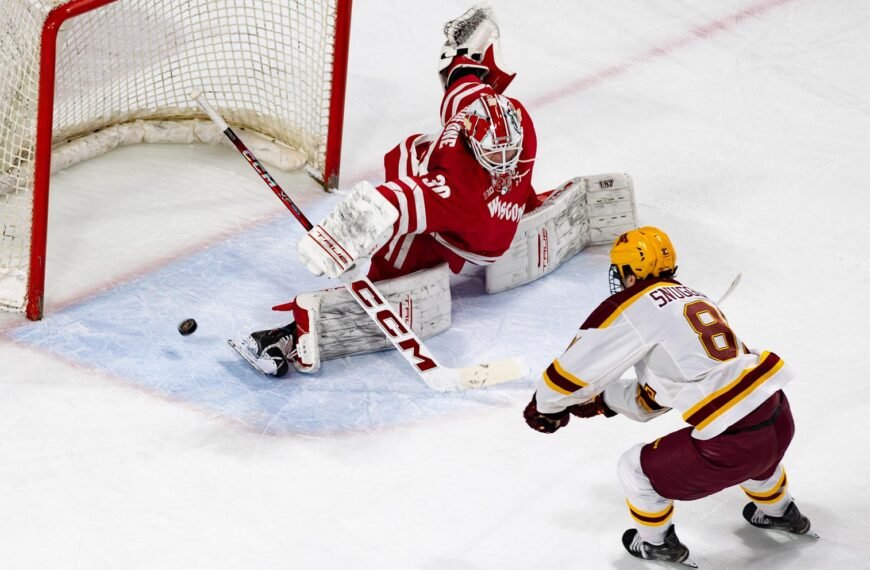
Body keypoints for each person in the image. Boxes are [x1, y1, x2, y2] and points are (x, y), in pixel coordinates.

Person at [234, 3, 540, 376]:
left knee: (406, 161)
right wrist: (464, 51)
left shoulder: (453, 186)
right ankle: (526, 201)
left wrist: (334, 242)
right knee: (420, 148)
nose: (504, 159)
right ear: (469, 136)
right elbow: (462, 75)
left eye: (507, 152)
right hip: (492, 212)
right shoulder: (505, 116)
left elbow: (389, 203)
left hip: (469, 236)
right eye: (494, 152)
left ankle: (386, 274)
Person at [522, 226, 813, 566]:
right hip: (778, 416)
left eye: (620, 270)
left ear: (631, 273)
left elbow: (572, 371)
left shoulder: (632, 305)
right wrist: (604, 402)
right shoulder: (693, 296)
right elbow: (656, 398)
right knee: (757, 456)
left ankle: (657, 545)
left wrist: (546, 407)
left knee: (634, 469)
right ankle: (781, 511)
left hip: (734, 442)